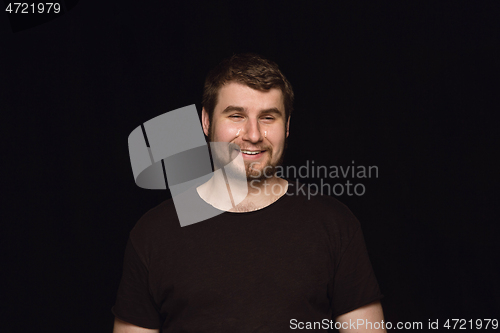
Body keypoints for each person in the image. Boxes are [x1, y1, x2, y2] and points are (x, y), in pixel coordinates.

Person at [112, 53, 386, 332]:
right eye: (236, 115)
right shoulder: (153, 233)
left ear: (288, 125)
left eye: (268, 117)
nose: (253, 135)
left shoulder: (335, 224)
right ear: (206, 122)